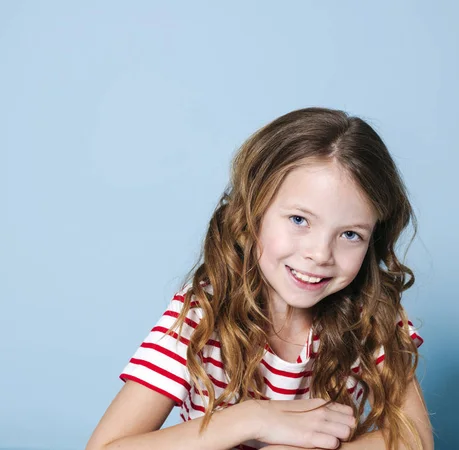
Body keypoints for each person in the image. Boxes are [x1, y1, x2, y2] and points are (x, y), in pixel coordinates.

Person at [86, 107, 434, 450]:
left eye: (350, 235)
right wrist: (252, 418)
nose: (320, 254)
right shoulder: (202, 311)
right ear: (254, 212)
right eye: (299, 220)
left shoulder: (371, 313)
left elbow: (415, 440)